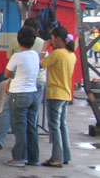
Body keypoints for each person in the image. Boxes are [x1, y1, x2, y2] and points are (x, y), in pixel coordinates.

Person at [0, 18, 47, 150]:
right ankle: (31, 147)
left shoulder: (15, 46)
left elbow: (8, 70)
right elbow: (44, 63)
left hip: (18, 83)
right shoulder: (41, 46)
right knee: (32, 117)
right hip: (38, 82)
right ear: (37, 31)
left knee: (8, 111)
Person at [4, 26, 41, 167]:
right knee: (31, 127)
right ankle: (33, 158)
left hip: (18, 94)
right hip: (33, 94)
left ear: (19, 41)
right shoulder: (35, 55)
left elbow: (7, 74)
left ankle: (19, 158)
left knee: (19, 127)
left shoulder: (17, 56)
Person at [40, 26, 76, 167]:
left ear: (58, 39)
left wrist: (44, 48)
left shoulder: (57, 54)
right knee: (62, 126)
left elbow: (41, 64)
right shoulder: (71, 54)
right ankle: (65, 155)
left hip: (55, 93)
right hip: (66, 93)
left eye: (52, 38)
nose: (51, 41)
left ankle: (57, 158)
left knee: (54, 126)